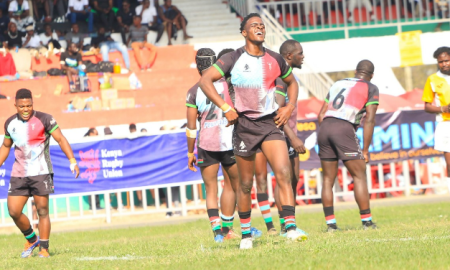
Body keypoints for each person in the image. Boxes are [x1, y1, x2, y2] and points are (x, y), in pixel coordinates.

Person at [199, 13, 307, 249]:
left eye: (262, 25)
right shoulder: (232, 58)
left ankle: (289, 227)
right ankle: (246, 235)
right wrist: (226, 107)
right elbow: (205, 81)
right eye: (253, 25)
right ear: (244, 32)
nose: (259, 27)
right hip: (244, 126)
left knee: (283, 173)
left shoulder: (276, 59)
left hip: (270, 124)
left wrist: (289, 106)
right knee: (245, 184)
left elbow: (293, 82)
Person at [187, 48, 260, 243]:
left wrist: (189, 152)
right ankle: (228, 229)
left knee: (210, 188)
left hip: (205, 144)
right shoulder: (229, 86)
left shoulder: (193, 91)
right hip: (229, 142)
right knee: (233, 186)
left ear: (197, 65)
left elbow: (191, 128)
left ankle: (217, 232)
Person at [0, 88, 80, 258]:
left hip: (41, 172)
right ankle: (31, 238)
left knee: (42, 210)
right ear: (16, 105)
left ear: (32, 104)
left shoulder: (45, 119)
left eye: (29, 105)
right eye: (22, 106)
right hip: (19, 173)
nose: (26, 109)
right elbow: (6, 146)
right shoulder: (9, 123)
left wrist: (72, 160)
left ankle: (44, 249)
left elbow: (60, 138)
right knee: (13, 211)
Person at [317, 59, 379, 232]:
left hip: (325, 127)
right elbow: (370, 120)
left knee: (328, 179)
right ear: (371, 76)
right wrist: (365, 150)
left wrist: (327, 131)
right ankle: (367, 222)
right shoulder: (371, 87)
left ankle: (331, 225)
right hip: (343, 128)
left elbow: (321, 114)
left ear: (355, 71)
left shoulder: (338, 83)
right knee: (359, 175)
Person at [254, 39, 307, 237]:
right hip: (282, 134)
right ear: (289, 56)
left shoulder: (288, 78)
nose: (303, 56)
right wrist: (292, 137)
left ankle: (287, 223)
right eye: (300, 53)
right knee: (285, 179)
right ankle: (286, 225)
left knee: (291, 180)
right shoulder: (280, 80)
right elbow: (276, 110)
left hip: (287, 132)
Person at [422, 47, 450, 192]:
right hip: (445, 124)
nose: (444, 64)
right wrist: (443, 109)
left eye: (447, 60)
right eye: (441, 62)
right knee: (449, 163)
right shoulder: (432, 79)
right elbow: (427, 106)